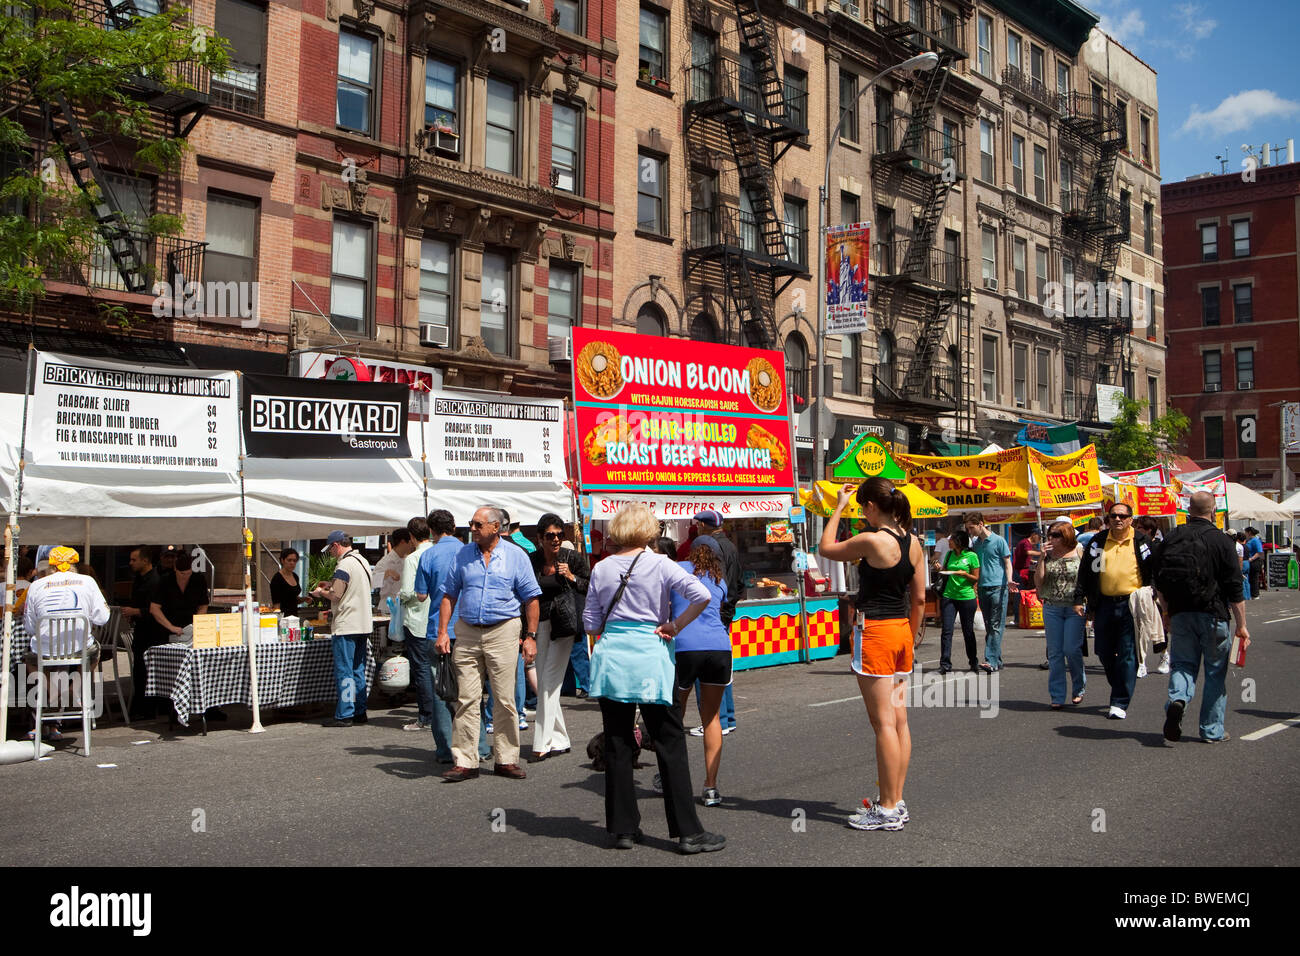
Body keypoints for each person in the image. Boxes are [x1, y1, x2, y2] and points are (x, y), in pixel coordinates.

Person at [582, 503, 721, 853]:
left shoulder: (601, 568)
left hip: (614, 658)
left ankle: (622, 829)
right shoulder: (660, 563)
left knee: (617, 741)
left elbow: (591, 623)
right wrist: (675, 624)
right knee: (668, 740)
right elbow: (702, 595)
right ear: (648, 531)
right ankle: (688, 832)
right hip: (651, 656)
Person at [820, 477, 926, 832]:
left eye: (861, 508)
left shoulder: (872, 539)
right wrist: (911, 636)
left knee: (883, 724)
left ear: (870, 506)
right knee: (899, 721)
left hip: (876, 633)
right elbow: (919, 598)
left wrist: (838, 507)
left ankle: (887, 808)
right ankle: (896, 800)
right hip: (900, 630)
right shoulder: (913, 541)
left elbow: (826, 548)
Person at [435, 506, 541, 781]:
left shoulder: (516, 556)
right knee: (466, 699)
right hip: (468, 632)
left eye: (478, 524)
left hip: (503, 631)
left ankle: (506, 759)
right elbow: (449, 595)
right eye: (471, 523)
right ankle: (466, 761)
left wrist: (531, 637)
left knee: (504, 699)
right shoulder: (463, 554)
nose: (472, 528)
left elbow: (531, 598)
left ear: (496, 527)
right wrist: (443, 632)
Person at [1152, 491, 1249, 743]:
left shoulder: (1171, 537)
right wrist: (1242, 625)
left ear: (1188, 511)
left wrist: (1166, 612)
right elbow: (1235, 587)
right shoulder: (1221, 540)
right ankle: (1211, 730)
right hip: (1213, 614)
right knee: (1215, 673)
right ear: (1214, 510)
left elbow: (1159, 581)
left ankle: (1178, 700)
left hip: (1180, 613)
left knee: (1183, 665)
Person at [415, 510, 490, 764]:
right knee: (472, 690)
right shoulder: (470, 551)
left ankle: (447, 749)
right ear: (455, 526)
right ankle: (480, 745)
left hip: (438, 629)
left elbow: (421, 595)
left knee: (441, 691)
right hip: (469, 627)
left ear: (431, 530)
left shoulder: (428, 555)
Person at [1072, 504, 1155, 719]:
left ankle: (1119, 702)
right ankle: (1120, 683)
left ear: (1130, 519)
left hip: (1132, 604)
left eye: (1122, 516)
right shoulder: (1098, 541)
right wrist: (1079, 598)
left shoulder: (1141, 541)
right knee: (1104, 652)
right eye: (1113, 515)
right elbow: (1086, 572)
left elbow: (1153, 570)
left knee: (1127, 653)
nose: (1118, 519)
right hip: (1104, 604)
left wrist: (1153, 594)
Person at [22, 546, 110, 741]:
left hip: (45, 652)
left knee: (30, 659)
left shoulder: (36, 585)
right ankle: (72, 688)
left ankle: (52, 691)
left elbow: (29, 627)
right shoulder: (87, 581)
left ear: (51, 566)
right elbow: (102, 618)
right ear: (74, 565)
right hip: (79, 650)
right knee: (95, 651)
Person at [672, 535, 732, 807]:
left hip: (685, 646)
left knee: (675, 716)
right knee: (711, 718)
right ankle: (711, 787)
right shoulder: (720, 580)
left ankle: (671, 778)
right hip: (719, 647)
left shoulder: (678, 570)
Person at [528, 512, 590, 760]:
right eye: (550, 535)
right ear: (540, 538)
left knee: (549, 681)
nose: (555, 539)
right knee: (546, 680)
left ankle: (541, 742)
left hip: (565, 624)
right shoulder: (532, 560)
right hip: (540, 623)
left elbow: (590, 585)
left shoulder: (571, 557)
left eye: (559, 535)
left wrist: (571, 577)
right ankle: (560, 739)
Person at [311, 532, 373, 727]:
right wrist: (330, 585)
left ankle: (345, 714)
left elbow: (336, 595)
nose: (330, 553)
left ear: (336, 545)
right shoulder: (362, 561)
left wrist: (321, 592)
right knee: (358, 669)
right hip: (363, 623)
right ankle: (360, 711)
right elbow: (352, 587)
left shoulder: (344, 564)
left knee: (345, 671)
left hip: (347, 624)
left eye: (330, 549)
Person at [691, 509, 742, 734]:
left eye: (698, 525)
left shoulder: (711, 546)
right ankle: (727, 718)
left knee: (707, 670)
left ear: (704, 526)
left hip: (714, 613)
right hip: (725, 611)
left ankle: (715, 721)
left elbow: (713, 582)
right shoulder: (730, 545)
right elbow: (738, 583)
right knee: (722, 668)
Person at [1034, 521, 1086, 709]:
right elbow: (1039, 582)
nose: (1051, 538)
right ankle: (1057, 695)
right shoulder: (1048, 555)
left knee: (1071, 649)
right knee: (1055, 652)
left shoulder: (1079, 551)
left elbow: (1087, 578)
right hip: (1052, 607)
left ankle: (1079, 687)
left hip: (1074, 607)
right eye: (1050, 535)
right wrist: (1041, 557)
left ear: (1067, 536)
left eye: (1056, 535)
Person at [398, 516, 435, 732]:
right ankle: (437, 714)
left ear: (412, 536)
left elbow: (407, 591)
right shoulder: (436, 552)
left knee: (421, 670)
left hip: (417, 620)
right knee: (436, 669)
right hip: (437, 618)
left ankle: (426, 716)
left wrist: (401, 597)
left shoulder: (412, 558)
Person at [964, 513, 1012, 672]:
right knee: (990, 626)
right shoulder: (976, 544)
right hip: (983, 587)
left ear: (981, 524)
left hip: (998, 587)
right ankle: (997, 660)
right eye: (968, 528)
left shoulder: (999, 540)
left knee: (995, 625)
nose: (970, 531)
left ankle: (990, 660)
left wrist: (1009, 580)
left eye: (971, 527)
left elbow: (1007, 562)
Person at [121, 546, 165, 720]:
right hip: (141, 632)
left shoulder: (155, 581)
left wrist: (136, 611)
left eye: (134, 560)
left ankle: (148, 709)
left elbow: (157, 609)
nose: (131, 563)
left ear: (145, 560)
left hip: (153, 633)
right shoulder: (138, 579)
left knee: (147, 672)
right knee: (139, 671)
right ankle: (139, 708)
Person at [934, 529, 980, 674]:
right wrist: (938, 568)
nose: (949, 541)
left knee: (968, 631)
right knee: (946, 631)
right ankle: (945, 664)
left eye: (952, 539)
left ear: (959, 541)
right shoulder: (949, 554)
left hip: (966, 597)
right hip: (949, 596)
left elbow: (976, 578)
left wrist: (964, 574)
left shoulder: (972, 556)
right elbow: (945, 572)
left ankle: (973, 661)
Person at [270, 548, 301, 616]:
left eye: (294, 560)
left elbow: (293, 598)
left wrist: (304, 599)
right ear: (282, 560)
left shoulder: (295, 576)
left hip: (294, 616)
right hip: (283, 617)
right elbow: (276, 604)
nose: (292, 563)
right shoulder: (277, 579)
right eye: (289, 560)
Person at [1243, 528, 1264, 599]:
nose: (1245, 534)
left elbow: (1259, 552)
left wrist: (1251, 559)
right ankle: (1251, 594)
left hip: (1254, 561)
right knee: (1250, 578)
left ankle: (1255, 594)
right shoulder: (1249, 540)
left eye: (1245, 532)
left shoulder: (1255, 540)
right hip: (1249, 561)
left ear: (1249, 532)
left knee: (1254, 578)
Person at [1233, 531, 1251, 600]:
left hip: (1242, 563)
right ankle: (1248, 596)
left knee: (1241, 580)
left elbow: (1239, 558)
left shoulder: (1238, 546)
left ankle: (1244, 596)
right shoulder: (1246, 546)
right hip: (1247, 563)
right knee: (1246, 580)